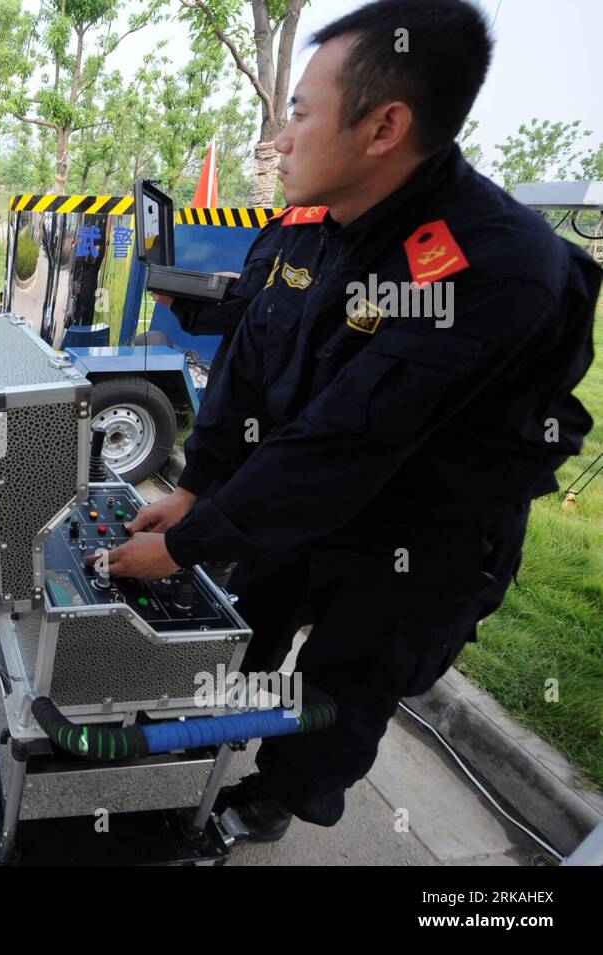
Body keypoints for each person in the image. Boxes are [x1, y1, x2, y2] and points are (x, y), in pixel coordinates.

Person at [94, 0, 600, 841]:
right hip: (292, 494)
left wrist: (185, 541)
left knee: (345, 682)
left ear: (384, 126)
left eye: (298, 112)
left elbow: (351, 441)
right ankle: (193, 735)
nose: (280, 138)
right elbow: (249, 370)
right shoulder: (308, 225)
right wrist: (197, 493)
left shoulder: (494, 269)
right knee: (240, 619)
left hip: (418, 532)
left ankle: (277, 796)